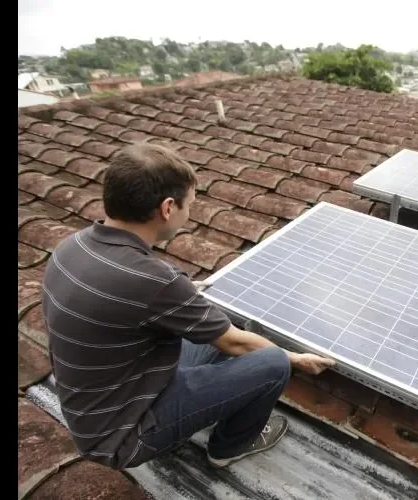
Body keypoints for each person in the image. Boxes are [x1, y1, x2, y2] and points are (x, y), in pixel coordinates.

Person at [41, 142, 336, 470]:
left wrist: (182, 296)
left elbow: (120, 303)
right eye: (190, 205)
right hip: (120, 436)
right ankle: (228, 448)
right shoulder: (153, 280)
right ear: (167, 208)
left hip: (98, 403)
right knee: (273, 362)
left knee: (220, 317)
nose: (190, 213)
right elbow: (234, 342)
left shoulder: (71, 247)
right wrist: (296, 359)